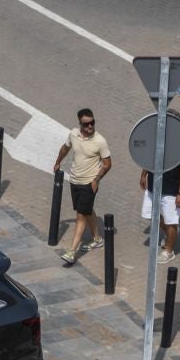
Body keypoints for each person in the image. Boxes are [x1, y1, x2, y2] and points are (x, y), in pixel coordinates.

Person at [53, 108, 112, 266]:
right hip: (74, 181)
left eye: (92, 123)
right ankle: (97, 239)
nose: (90, 127)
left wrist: (97, 179)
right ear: (80, 124)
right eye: (86, 124)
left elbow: (107, 164)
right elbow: (65, 148)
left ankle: (72, 252)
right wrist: (58, 161)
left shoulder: (100, 141)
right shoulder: (73, 134)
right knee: (86, 211)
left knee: (81, 216)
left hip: (89, 183)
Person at [141, 140, 180, 260]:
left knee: (171, 221)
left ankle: (169, 251)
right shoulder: (157, 139)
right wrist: (143, 175)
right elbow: (149, 159)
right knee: (148, 213)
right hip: (153, 186)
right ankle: (170, 233)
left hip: (171, 191)